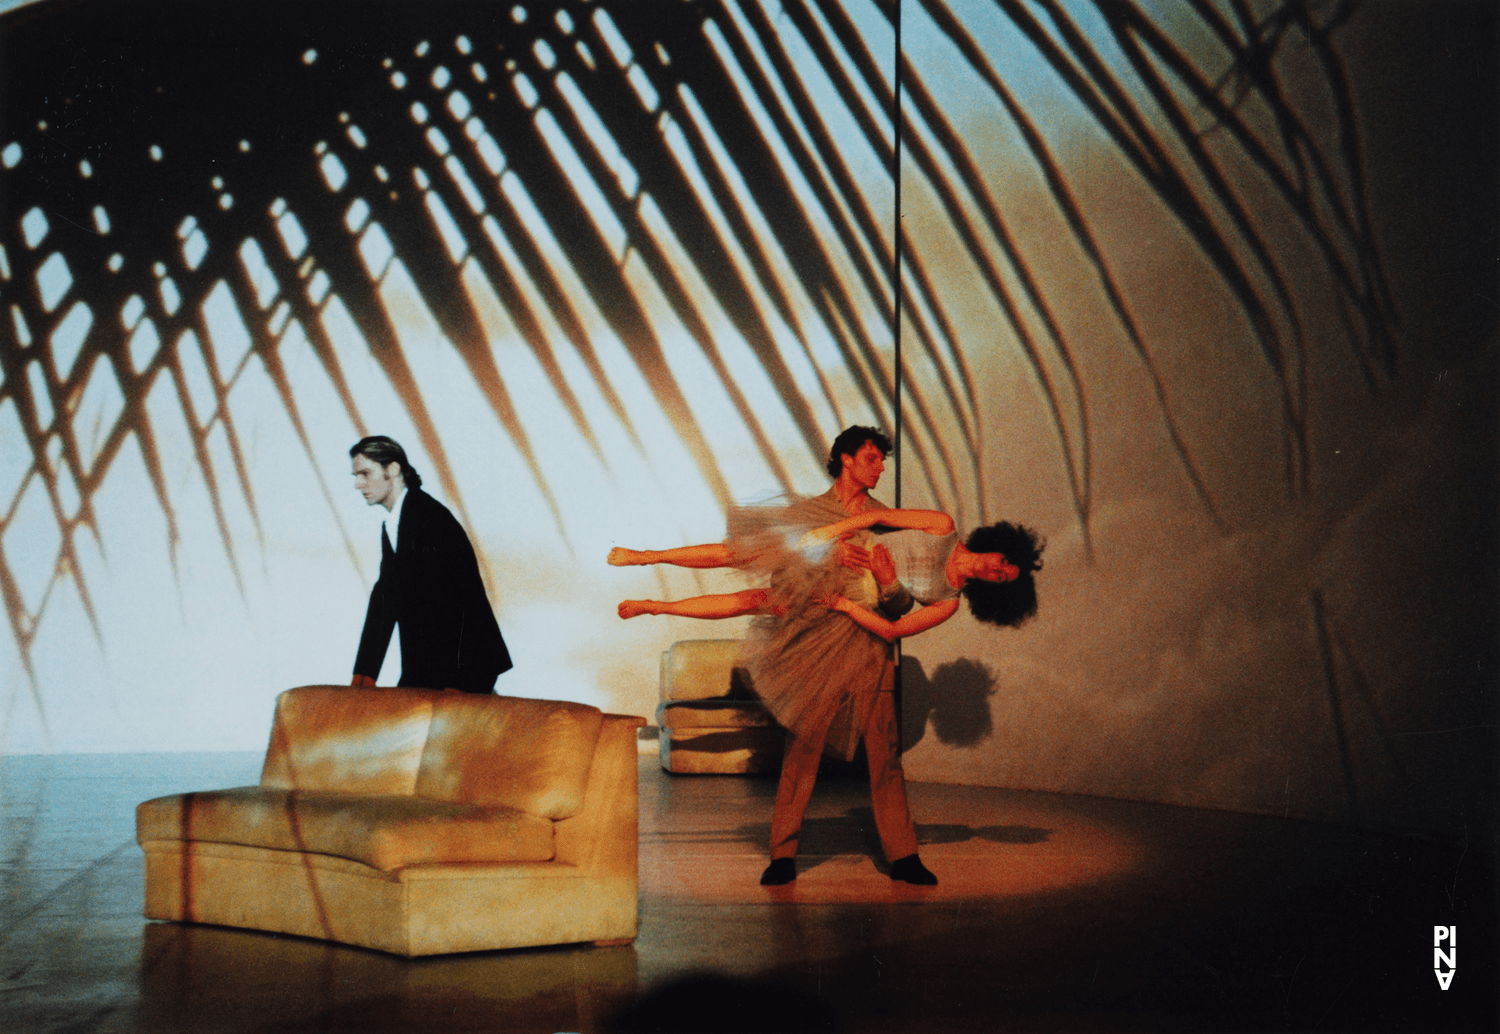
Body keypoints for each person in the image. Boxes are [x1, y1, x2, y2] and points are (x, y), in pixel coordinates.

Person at [616, 427, 1023, 887]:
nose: (882, 467)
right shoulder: (840, 515)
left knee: (884, 754)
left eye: (1005, 574)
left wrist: (886, 581)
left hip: (868, 648)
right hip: (819, 632)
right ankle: (783, 854)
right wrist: (831, 548)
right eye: (872, 458)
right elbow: (756, 552)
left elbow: (896, 611)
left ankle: (904, 856)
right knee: (802, 746)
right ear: (845, 459)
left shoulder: (892, 526)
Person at [610, 507, 1043, 641]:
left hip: (844, 593)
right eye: (1004, 562)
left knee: (750, 602)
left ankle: (655, 607)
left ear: (995, 590)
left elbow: (892, 630)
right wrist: (829, 535)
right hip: (836, 552)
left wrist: (843, 605)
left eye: (1003, 577)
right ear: (998, 547)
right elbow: (877, 514)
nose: (996, 569)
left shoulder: (946, 603)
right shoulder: (942, 525)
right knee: (739, 553)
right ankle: (646, 556)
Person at [349, 435, 512, 693]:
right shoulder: (393, 525)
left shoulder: (428, 516)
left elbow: (457, 597)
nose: (358, 484)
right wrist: (365, 673)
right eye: (356, 476)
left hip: (464, 666)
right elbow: (384, 598)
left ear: (392, 469)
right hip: (431, 668)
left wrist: (458, 681)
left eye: (365, 474)